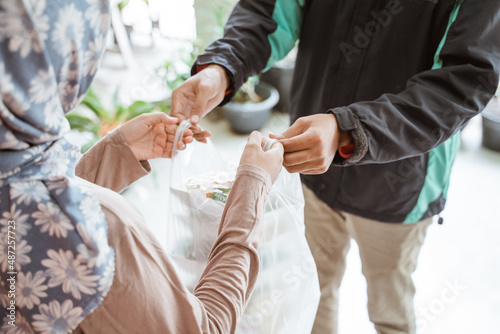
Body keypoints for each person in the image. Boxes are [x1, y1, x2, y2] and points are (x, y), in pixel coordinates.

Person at [170, 0, 500, 333]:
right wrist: (222, 66)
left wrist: (350, 129)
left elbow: (463, 82)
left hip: (400, 186)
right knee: (312, 291)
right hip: (313, 169)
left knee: (390, 310)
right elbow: (270, 10)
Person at [0, 0, 284, 333]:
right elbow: (203, 329)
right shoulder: (96, 234)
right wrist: (252, 188)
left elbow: (18, 237)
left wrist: (117, 153)